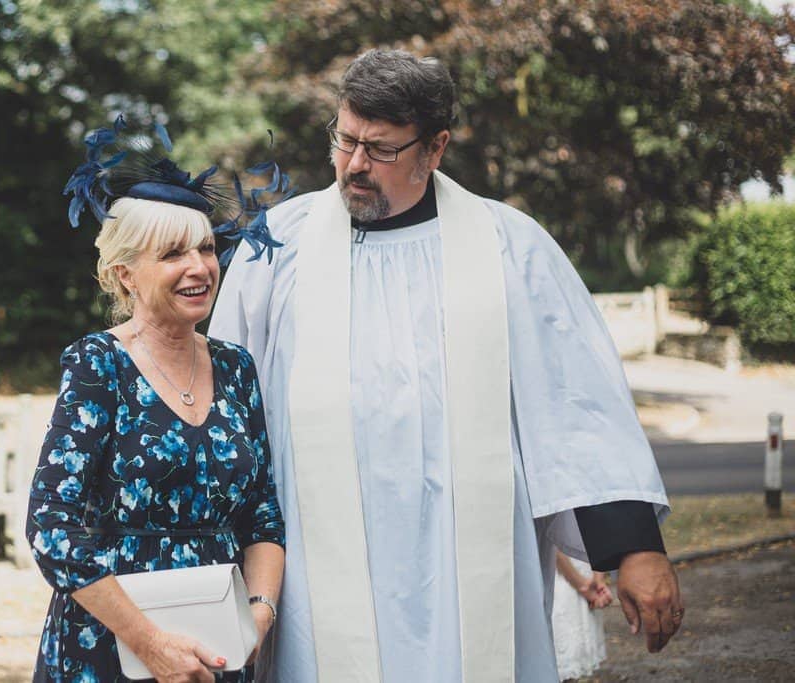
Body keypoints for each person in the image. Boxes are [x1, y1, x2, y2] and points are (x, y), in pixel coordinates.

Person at [209, 48, 684, 682]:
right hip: (317, 576)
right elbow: (224, 411)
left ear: (435, 149)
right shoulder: (279, 248)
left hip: (475, 570)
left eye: (381, 150)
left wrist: (635, 549)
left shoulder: (509, 247)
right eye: (345, 140)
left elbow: (577, 403)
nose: (353, 165)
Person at [26, 125, 285, 682]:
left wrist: (257, 619)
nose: (199, 267)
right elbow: (52, 527)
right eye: (172, 254)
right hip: (112, 649)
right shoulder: (99, 365)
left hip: (218, 652)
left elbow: (262, 514)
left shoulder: (237, 368)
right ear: (126, 275)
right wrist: (149, 642)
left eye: (206, 248)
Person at [552, 549, 611, 680]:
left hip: (584, 578)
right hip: (565, 578)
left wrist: (596, 579)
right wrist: (583, 584)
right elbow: (553, 546)